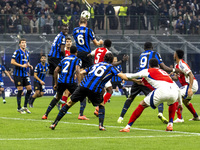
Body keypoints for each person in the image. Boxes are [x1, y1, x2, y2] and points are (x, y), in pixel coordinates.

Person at [49, 53, 131, 131]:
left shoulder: (96, 65)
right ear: (112, 60)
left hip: (83, 86)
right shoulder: (111, 67)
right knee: (101, 104)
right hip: (94, 89)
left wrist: (77, 74)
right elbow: (123, 76)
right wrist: (135, 79)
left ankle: (54, 123)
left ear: (104, 59)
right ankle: (101, 125)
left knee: (69, 103)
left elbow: (83, 71)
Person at [117, 42, 179, 124]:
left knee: (131, 98)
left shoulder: (141, 55)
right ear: (152, 47)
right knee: (158, 93)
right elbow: (163, 67)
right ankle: (160, 113)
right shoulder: (155, 54)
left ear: (144, 48)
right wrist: (174, 70)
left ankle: (121, 117)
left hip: (138, 78)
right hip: (147, 79)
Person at [120, 58, 182, 132]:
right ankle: (170, 125)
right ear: (158, 66)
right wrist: (180, 103)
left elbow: (130, 76)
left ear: (149, 65)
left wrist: (120, 74)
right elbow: (177, 88)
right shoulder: (164, 72)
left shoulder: (147, 71)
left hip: (161, 91)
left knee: (142, 104)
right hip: (174, 91)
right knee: (172, 103)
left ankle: (127, 127)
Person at [87, 39, 128, 116]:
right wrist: (122, 61)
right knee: (109, 90)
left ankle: (97, 108)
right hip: (102, 72)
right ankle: (98, 107)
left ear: (104, 44)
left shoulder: (97, 49)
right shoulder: (108, 52)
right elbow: (112, 64)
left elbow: (88, 55)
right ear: (110, 46)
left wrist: (94, 63)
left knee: (102, 91)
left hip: (94, 71)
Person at [42, 46, 81, 120]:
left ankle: (45, 114)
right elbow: (77, 70)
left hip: (61, 81)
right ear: (76, 52)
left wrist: (56, 83)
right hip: (70, 82)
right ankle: (81, 114)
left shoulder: (64, 59)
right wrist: (79, 83)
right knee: (82, 96)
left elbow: (55, 71)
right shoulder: (77, 59)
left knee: (57, 97)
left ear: (69, 52)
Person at [172, 50, 200, 123]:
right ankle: (196, 116)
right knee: (185, 101)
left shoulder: (182, 64)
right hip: (188, 85)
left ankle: (180, 118)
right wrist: (168, 77)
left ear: (176, 55)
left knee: (176, 96)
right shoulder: (176, 65)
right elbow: (176, 78)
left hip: (191, 84)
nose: (173, 55)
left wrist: (190, 89)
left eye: (174, 54)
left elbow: (191, 75)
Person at [11, 38, 33, 114]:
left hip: (24, 74)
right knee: (20, 90)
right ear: (19, 44)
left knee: (29, 89)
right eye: (22, 43)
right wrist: (21, 65)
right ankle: (19, 108)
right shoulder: (17, 52)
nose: (24, 44)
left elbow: (26, 63)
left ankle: (25, 106)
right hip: (18, 74)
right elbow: (12, 61)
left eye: (25, 43)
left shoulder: (27, 53)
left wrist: (29, 66)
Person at [48, 24, 68, 92]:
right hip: (56, 57)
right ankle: (61, 91)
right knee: (63, 72)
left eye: (67, 29)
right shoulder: (62, 37)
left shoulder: (58, 35)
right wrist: (65, 58)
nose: (66, 31)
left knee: (55, 74)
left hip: (51, 57)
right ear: (61, 30)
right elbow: (62, 50)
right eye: (64, 29)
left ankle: (55, 90)